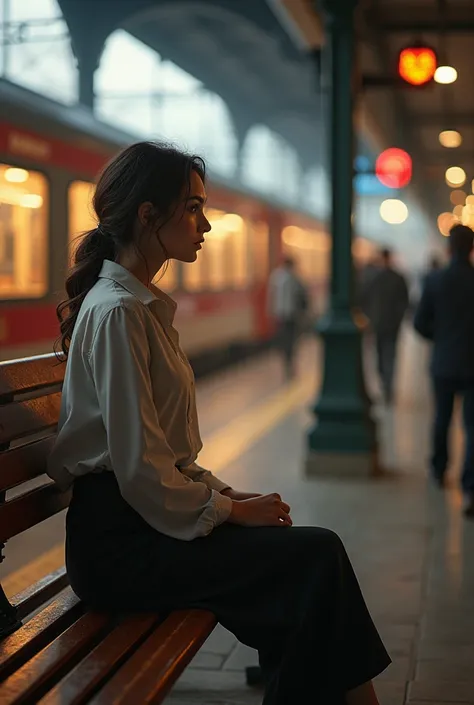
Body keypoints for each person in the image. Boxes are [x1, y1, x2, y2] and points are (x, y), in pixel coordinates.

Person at [47, 141, 390, 705]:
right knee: (314, 559)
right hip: (120, 548)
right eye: (192, 208)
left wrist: (224, 494)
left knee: (306, 573)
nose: (205, 224)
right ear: (147, 215)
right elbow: (139, 469)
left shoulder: (139, 308)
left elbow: (161, 456)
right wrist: (226, 510)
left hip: (143, 524)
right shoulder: (119, 313)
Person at [414, 224, 474, 517]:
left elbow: (419, 323)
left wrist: (440, 337)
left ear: (449, 247)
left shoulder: (435, 280)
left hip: (444, 362)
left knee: (442, 418)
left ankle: (439, 470)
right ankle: (471, 485)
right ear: (472, 248)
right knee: (473, 426)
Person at [362, 248, 409, 404]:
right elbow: (405, 301)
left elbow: (365, 299)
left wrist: (369, 318)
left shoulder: (374, 278)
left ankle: (385, 383)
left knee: (381, 354)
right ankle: (388, 385)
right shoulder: (398, 277)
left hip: (378, 323)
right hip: (392, 324)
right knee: (390, 355)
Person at [268, 256, 309, 380]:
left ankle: (286, 362)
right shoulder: (295, 278)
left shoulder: (275, 277)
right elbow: (302, 295)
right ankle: (290, 362)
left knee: (284, 339)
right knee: (292, 340)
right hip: (292, 314)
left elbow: (271, 296)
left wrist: (271, 312)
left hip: (280, 314)